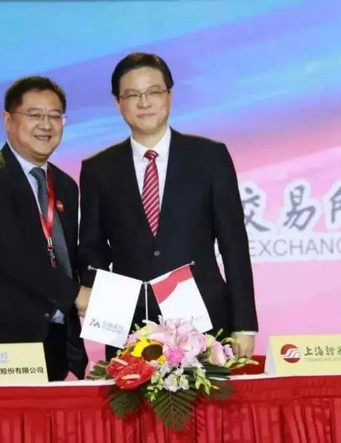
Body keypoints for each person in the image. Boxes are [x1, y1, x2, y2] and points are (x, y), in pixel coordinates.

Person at [79, 53, 258, 359]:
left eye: (153, 91)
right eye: (132, 95)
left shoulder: (210, 157)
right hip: (130, 325)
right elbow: (92, 249)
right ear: (118, 103)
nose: (144, 102)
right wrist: (103, 314)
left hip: (205, 322)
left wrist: (244, 325)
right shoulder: (98, 169)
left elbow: (234, 244)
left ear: (169, 96)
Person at [0, 76, 90, 381]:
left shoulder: (65, 185)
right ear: (8, 120)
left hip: (53, 343)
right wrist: (77, 295)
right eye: (35, 114)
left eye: (55, 116)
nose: (46, 125)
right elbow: (11, 258)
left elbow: (66, 259)